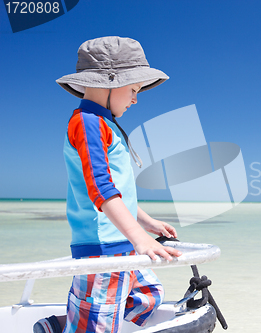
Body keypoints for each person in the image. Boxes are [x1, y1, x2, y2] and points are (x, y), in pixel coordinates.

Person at [33, 36, 182, 333]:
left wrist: (147, 222)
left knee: (149, 294)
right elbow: (101, 190)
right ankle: (83, 324)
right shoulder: (87, 122)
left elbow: (119, 191)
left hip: (121, 241)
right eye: (133, 89)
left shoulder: (106, 122)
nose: (135, 99)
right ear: (109, 81)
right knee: (99, 324)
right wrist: (140, 238)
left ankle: (63, 324)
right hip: (103, 247)